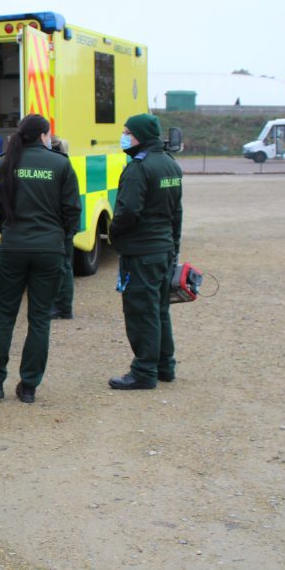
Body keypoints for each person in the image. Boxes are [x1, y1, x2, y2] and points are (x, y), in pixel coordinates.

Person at [0, 115, 81, 404]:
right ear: (44, 135)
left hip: (13, 247)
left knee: (4, 316)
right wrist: (60, 238)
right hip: (49, 251)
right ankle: (29, 387)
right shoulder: (60, 164)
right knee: (40, 320)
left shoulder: (5, 162)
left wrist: (6, 230)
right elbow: (72, 210)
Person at [107, 113, 183, 390]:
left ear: (139, 135)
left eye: (127, 131)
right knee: (159, 309)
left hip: (141, 251)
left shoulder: (139, 168)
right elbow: (177, 212)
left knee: (141, 310)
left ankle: (144, 371)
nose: (124, 136)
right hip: (162, 249)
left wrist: (114, 234)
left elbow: (127, 211)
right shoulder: (170, 165)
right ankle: (165, 365)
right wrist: (174, 247)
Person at [49, 135, 76, 320]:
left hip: (62, 225)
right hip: (65, 225)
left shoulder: (59, 167)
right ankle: (62, 305)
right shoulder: (64, 165)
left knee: (64, 266)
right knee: (64, 265)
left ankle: (63, 307)